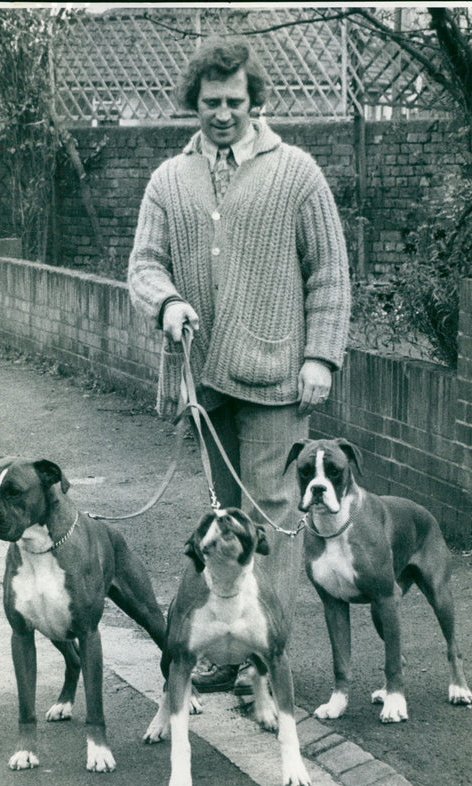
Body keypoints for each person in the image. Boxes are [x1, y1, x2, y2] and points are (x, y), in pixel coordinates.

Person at [128, 37, 351, 693]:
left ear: (254, 100)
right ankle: (225, 649)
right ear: (193, 103)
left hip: (278, 377)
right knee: (223, 521)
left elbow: (330, 274)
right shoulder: (169, 180)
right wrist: (167, 304)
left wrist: (320, 356)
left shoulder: (297, 172)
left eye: (233, 101)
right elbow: (144, 265)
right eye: (209, 102)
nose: (221, 113)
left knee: (273, 522)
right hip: (204, 379)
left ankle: (266, 661)